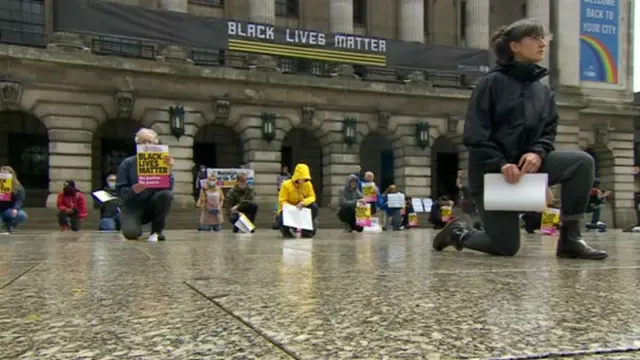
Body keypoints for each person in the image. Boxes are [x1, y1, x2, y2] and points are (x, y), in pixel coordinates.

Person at [433, 19, 607, 260]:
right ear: (515, 46)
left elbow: (549, 131)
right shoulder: (490, 84)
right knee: (505, 247)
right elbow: (475, 134)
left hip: (527, 169)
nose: (543, 44)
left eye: (543, 38)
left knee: (581, 162)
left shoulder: (543, 91)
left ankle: (570, 239)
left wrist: (537, 152)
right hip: (491, 176)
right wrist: (501, 163)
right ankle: (458, 233)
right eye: (535, 38)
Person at [116, 128, 174, 242]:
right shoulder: (127, 163)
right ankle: (132, 225)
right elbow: (119, 191)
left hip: (152, 205)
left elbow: (169, 188)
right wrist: (133, 190)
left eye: (150, 142)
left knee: (166, 195)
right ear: (137, 144)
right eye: (143, 142)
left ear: (155, 144)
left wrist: (169, 169)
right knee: (131, 234)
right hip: (132, 207)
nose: (147, 145)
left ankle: (157, 231)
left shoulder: (163, 162)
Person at [277, 163, 318, 238]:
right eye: (302, 177)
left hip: (302, 208)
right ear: (297, 176)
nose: (304, 180)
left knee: (314, 206)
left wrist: (303, 202)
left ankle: (306, 229)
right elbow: (282, 201)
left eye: (305, 178)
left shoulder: (308, 184)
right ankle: (285, 230)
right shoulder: (286, 185)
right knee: (281, 218)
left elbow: (312, 196)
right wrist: (291, 208)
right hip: (288, 210)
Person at [0, 166, 27, 233]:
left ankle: (9, 224)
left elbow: (19, 200)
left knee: (22, 215)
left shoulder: (18, 186)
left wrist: (15, 208)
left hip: (8, 210)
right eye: (2, 173)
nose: (4, 176)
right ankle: (3, 224)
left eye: (5, 174)